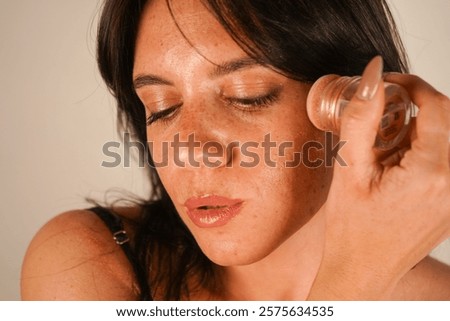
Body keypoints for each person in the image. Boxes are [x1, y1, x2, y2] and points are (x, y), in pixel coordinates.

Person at [21, 0, 450, 300]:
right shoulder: (83, 263)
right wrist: (358, 281)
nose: (188, 151)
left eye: (248, 95)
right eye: (162, 108)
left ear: (354, 104)